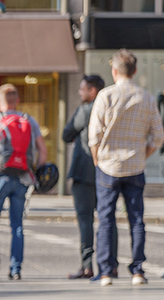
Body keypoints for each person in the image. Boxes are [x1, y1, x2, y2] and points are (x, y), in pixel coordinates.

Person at [88, 49, 164, 287]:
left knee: (106, 219)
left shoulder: (105, 96)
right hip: (135, 165)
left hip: (108, 164)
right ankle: (137, 270)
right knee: (137, 219)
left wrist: (96, 158)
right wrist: (143, 153)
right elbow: (158, 136)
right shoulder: (146, 97)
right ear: (135, 71)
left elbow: (94, 136)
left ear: (114, 71)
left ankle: (107, 271)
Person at [0, 83, 47, 281]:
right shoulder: (29, 120)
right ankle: (15, 269)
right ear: (17, 101)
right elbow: (43, 150)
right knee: (17, 225)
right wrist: (37, 173)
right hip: (23, 178)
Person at [63, 75, 107, 279]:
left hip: (84, 172)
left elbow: (66, 134)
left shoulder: (86, 110)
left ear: (92, 91)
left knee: (85, 220)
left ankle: (87, 266)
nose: (79, 92)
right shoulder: (110, 108)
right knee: (107, 220)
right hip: (107, 171)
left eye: (82, 89)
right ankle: (110, 265)